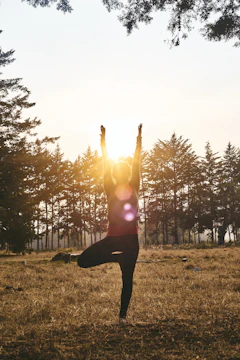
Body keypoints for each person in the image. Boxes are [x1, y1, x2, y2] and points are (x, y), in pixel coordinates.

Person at [77, 124, 142, 323]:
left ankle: (122, 316)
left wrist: (104, 142)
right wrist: (137, 139)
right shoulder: (114, 186)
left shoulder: (125, 185)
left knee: (124, 278)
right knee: (125, 279)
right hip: (122, 240)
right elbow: (130, 162)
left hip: (120, 239)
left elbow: (130, 163)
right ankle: (122, 316)